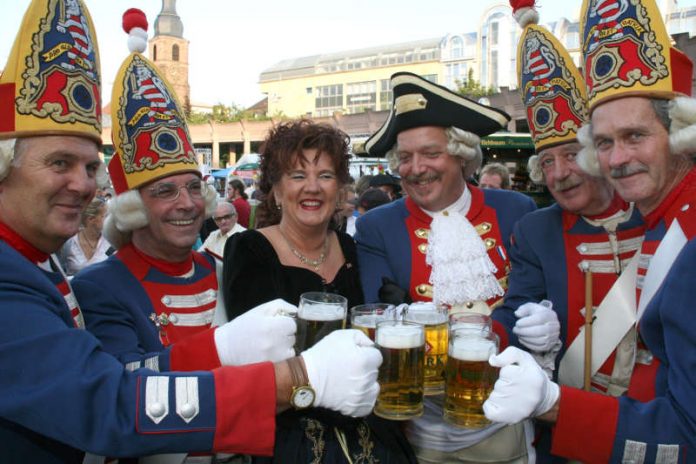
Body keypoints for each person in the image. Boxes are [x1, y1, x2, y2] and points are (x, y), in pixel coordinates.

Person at [0, 4, 382, 461]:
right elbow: (111, 399)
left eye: (88, 167)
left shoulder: (39, 262)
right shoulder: (71, 282)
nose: (82, 184)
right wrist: (293, 378)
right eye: (59, 163)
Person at [483, 1, 696, 462]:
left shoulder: (676, 225)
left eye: (635, 135)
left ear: (678, 132)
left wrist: (554, 404)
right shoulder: (661, 213)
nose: (618, 157)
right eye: (604, 142)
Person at [354, 71, 537, 463]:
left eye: (431, 153)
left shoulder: (516, 211)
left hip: (507, 414)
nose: (416, 168)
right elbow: (382, 314)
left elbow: (528, 299)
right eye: (405, 157)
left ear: (462, 154)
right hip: (421, 430)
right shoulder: (376, 227)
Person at [222, 119, 416, 464]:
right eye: (297, 176)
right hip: (292, 433)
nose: (312, 187)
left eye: (325, 176)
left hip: (368, 425)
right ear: (277, 191)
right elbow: (254, 366)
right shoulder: (250, 249)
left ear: (340, 190)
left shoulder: (350, 247)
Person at [59, 197, 113, 275]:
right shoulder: (69, 243)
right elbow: (62, 270)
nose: (109, 219)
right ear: (91, 219)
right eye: (105, 216)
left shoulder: (110, 242)